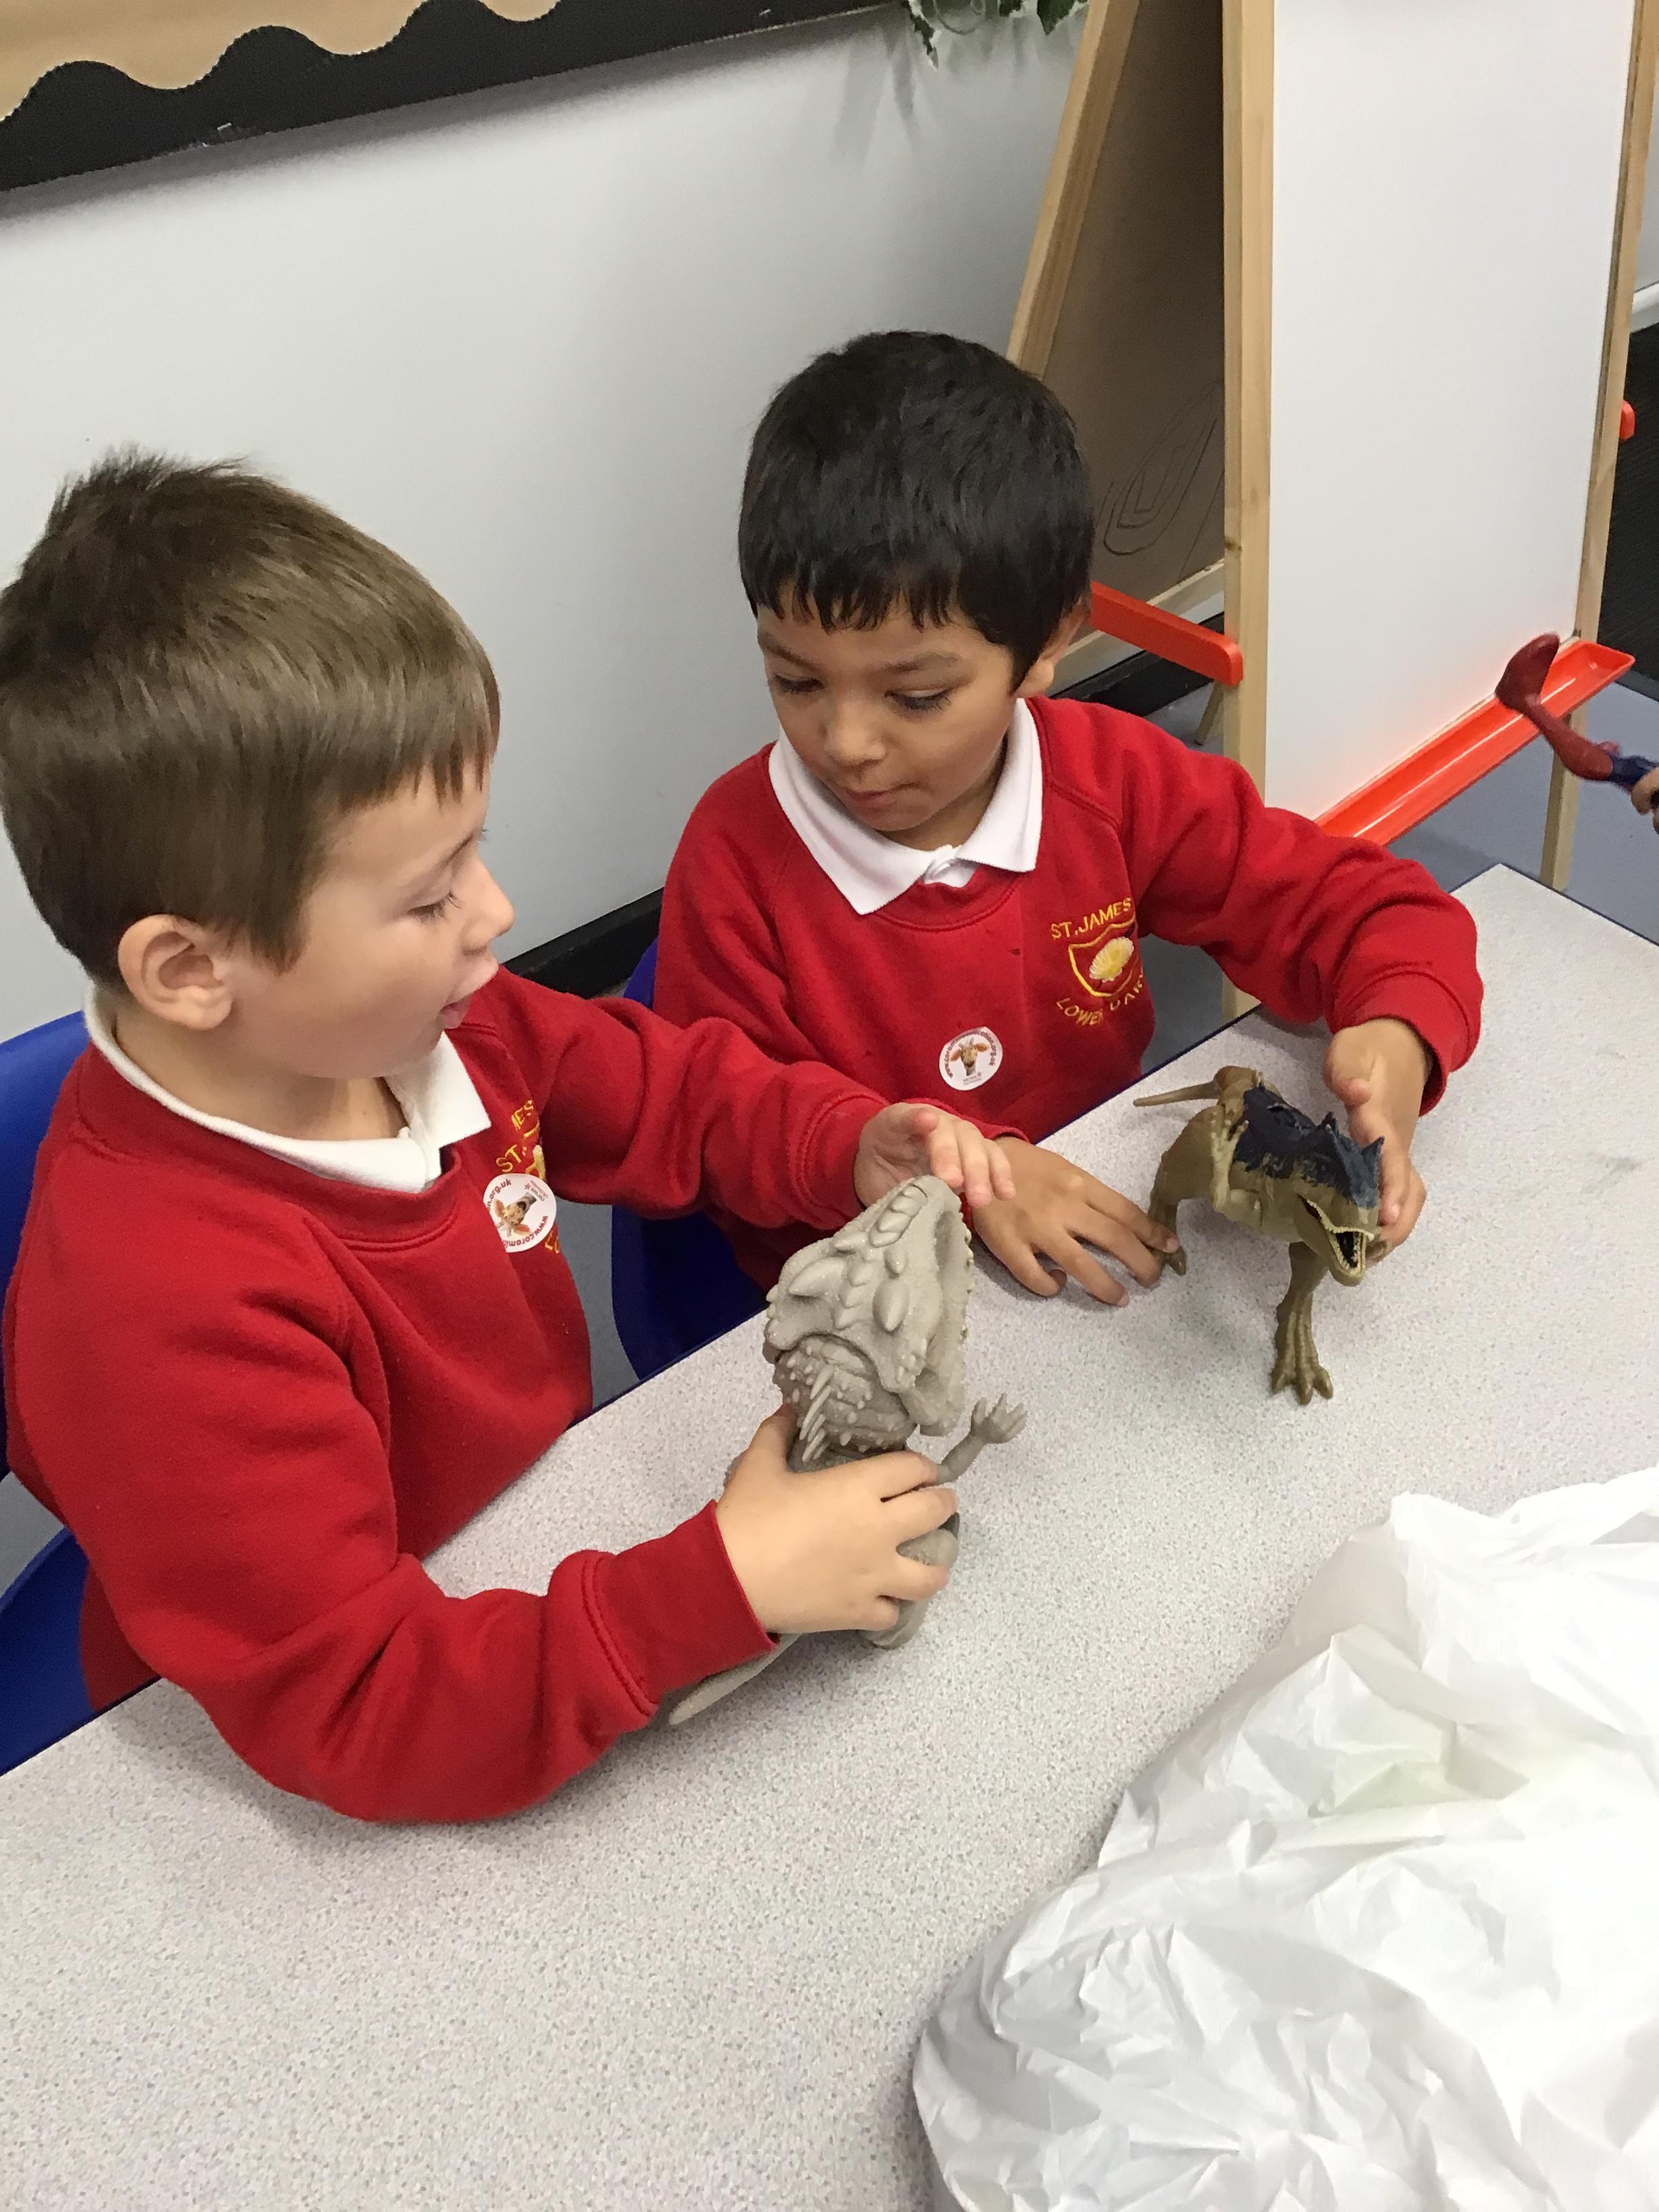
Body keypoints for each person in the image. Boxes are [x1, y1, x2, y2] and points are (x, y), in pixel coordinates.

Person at [0, 454, 1013, 1822]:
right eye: (430, 897)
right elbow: (364, 1707)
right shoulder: (157, 1309)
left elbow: (656, 1089)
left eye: (474, 852)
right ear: (191, 971)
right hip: (324, 1732)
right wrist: (723, 1586)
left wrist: (841, 1142)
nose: (496, 913)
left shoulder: (427, 1025)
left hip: (521, 1555)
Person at [654, 331, 1483, 1296]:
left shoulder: (1112, 780)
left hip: (1089, 1258)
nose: (845, 743)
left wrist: (1397, 1035)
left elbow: (1379, 910)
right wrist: (966, 1179)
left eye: (915, 698)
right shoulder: (735, 859)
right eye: (796, 681)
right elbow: (715, 1122)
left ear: (1048, 644)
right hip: (867, 1288)